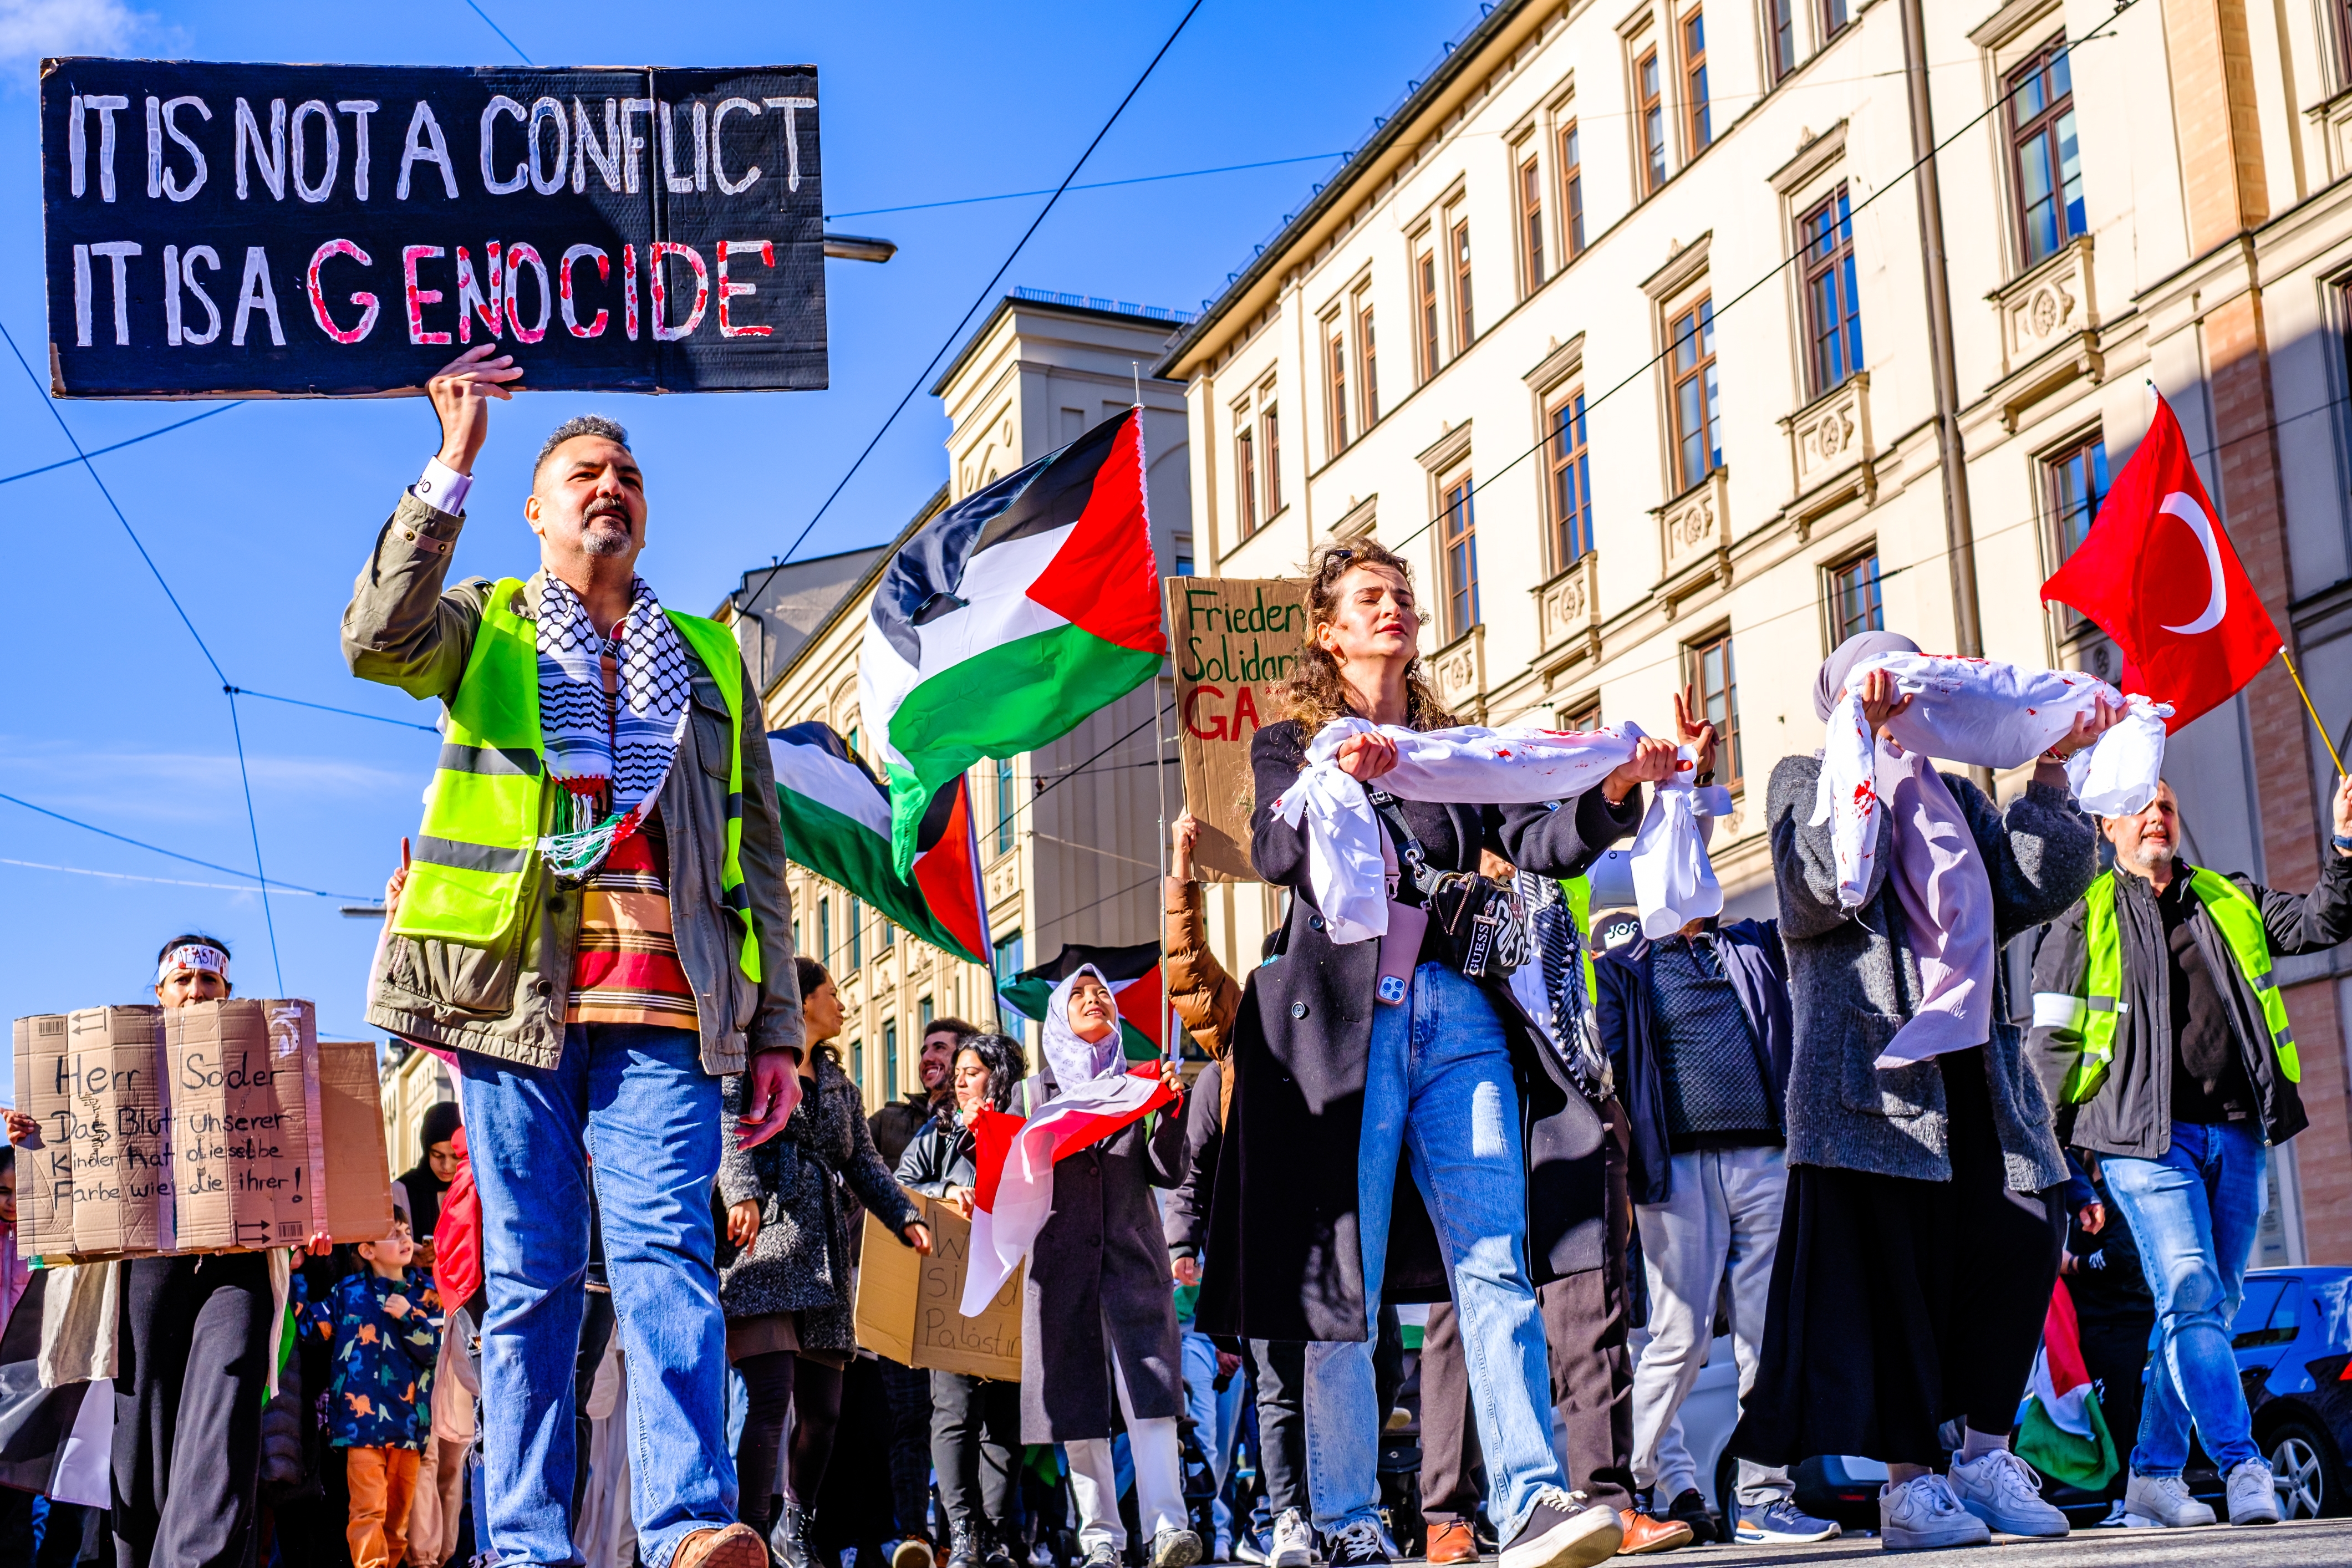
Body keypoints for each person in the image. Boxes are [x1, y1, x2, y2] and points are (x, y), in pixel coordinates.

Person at [343, 345, 804, 1568]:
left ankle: (689, 1526)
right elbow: (376, 637)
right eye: (583, 472)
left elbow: (757, 856)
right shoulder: (486, 624)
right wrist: (454, 461)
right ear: (538, 511)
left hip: (666, 1013)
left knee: (668, 1262)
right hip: (510, 1009)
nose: (610, 485)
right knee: (536, 1278)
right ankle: (532, 1545)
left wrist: (778, 1035)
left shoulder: (709, 658)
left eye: (628, 473)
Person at [1215, 539, 1676, 1568]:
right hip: (1347, 1034)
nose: (1395, 610)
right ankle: (1343, 1515)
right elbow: (1277, 852)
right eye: (1370, 598)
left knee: (1492, 1253)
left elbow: (1543, 838)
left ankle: (1530, 1498)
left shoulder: (1449, 746)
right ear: (1328, 630)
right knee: (1349, 1271)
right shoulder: (1288, 742)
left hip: (1458, 1016)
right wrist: (1335, 773)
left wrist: (1613, 791)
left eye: (1403, 597)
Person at [1735, 630, 2116, 1551]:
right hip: (1872, 1078)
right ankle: (1911, 1487)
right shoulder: (1802, 775)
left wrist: (2053, 771)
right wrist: (1857, 753)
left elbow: (2034, 886)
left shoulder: (1953, 792)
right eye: (1883, 678)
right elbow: (1818, 884)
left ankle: (1983, 1455)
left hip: (1978, 1070)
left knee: (2024, 1232)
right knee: (1896, 1278)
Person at [2029, 776, 2352, 1528]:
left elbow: (2321, 922)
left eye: (2167, 803)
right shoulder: (2081, 923)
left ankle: (2151, 1475)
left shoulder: (2226, 898)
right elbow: (2047, 1051)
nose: (2156, 813)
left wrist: (2343, 846)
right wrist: (2058, 1171)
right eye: (2140, 805)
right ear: (2106, 826)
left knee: (2205, 1305)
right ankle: (2243, 1465)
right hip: (2140, 1144)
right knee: (2185, 1286)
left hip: (2238, 1132)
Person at [1, 936, 289, 1568]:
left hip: (235, 1263)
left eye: (209, 982)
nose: (195, 991)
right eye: (182, 979)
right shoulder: (110, 1073)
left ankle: (195, 1558)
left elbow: (303, 1149)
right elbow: (75, 1173)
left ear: (229, 995)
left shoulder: (265, 1063)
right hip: (145, 1265)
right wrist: (37, 1139)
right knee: (145, 1426)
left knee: (231, 1386)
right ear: (158, 993)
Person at [1595, 892, 1839, 1548]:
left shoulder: (1748, 942)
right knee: (1681, 1337)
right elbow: (1612, 1065)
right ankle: (1624, 1485)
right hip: (1676, 1168)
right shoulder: (1624, 961)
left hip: (1764, 1154)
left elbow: (1810, 905)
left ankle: (1763, 1496)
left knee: (1767, 1338)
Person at [719, 957, 932, 1565]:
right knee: (769, 1396)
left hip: (825, 1257)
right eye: (832, 993)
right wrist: (741, 1193)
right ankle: (752, 1529)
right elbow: (728, 1127)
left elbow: (865, 1163)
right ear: (801, 1001)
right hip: (763, 1245)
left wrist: (906, 1216)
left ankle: (797, 1523)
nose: (841, 1004)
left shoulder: (840, 1085)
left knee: (825, 1412)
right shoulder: (749, 1060)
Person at [1163, 813, 1310, 1568]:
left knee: (1363, 1372)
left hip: (1344, 1228)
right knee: (1279, 1384)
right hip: (1262, 1240)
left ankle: (1339, 1510)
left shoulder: (1351, 1026)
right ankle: (1287, 1518)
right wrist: (1182, 869)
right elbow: (1185, 962)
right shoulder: (1237, 1034)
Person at [1024, 968, 1198, 1568]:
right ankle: (1101, 1534)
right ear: (1057, 1017)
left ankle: (1168, 1526)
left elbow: (1167, 1170)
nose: (1095, 999)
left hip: (1132, 1262)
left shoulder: (1136, 1085)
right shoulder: (1035, 1096)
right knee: (1079, 1405)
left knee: (1150, 1395)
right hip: (1063, 1268)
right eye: (1079, 994)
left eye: (1102, 993)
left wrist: (1171, 1111)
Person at [899, 1032, 1033, 1568]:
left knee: (1004, 1421)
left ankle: (998, 1537)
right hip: (951, 1297)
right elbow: (900, 1186)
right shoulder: (939, 1133)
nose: (958, 1079)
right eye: (957, 1071)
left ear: (999, 1078)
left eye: (972, 1071)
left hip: (1011, 1295)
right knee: (953, 1414)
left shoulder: (1027, 1132)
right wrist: (941, 1195)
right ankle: (964, 1533)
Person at [869, 1014, 978, 1568]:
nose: (929, 1055)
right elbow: (864, 1180)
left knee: (961, 1416)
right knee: (908, 1417)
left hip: (964, 1290)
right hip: (903, 1289)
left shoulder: (980, 1119)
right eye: (925, 1047)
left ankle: (972, 1536)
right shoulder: (889, 1120)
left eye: (943, 1047)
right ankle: (915, 1535)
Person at [330, 1215, 444, 1568]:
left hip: (408, 1428)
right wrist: (294, 1269)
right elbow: (307, 1326)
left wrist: (409, 1316)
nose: (404, 1238)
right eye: (392, 1235)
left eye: (407, 1232)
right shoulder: (348, 1293)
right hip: (359, 1430)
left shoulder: (426, 1295)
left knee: (396, 1525)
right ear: (367, 1250)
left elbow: (435, 1353)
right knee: (367, 1512)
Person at [393, 1102, 463, 1277]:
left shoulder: (474, 1189)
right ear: (426, 1150)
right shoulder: (401, 1190)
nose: (446, 1166)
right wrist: (409, 1258)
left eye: (455, 1156)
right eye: (437, 1155)